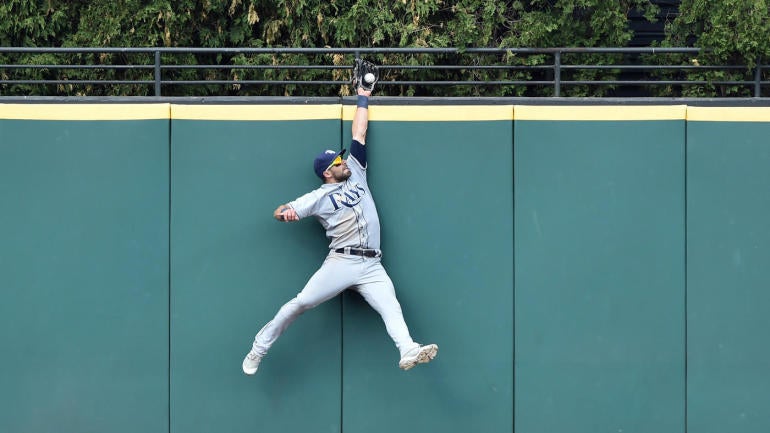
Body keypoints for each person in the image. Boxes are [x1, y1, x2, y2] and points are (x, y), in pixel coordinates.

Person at [242, 86, 438, 375]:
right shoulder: (317, 197)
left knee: (390, 305)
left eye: (342, 158)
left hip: (372, 264)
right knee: (302, 302)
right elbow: (279, 210)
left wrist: (363, 96)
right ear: (327, 172)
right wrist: (286, 214)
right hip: (342, 261)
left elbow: (359, 133)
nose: (344, 162)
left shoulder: (356, 172)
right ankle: (259, 348)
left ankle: (407, 349)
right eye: (337, 162)